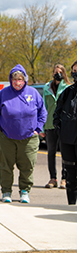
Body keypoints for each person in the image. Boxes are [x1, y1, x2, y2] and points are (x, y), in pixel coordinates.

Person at [0, 64, 47, 204]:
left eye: (20, 79)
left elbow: (42, 112)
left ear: (25, 80)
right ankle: (6, 191)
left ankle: (25, 191)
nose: (17, 82)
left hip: (29, 138)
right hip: (6, 138)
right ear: (10, 80)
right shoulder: (3, 94)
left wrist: (38, 129)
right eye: (14, 79)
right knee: (6, 166)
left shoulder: (33, 93)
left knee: (27, 165)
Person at [40, 64, 70, 189]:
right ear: (52, 74)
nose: (57, 74)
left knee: (65, 153)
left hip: (64, 125)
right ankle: (53, 178)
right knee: (51, 152)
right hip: (50, 124)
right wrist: (41, 127)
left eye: (60, 72)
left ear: (64, 73)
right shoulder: (47, 88)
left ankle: (64, 178)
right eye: (55, 72)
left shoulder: (68, 87)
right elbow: (43, 108)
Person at [53, 61, 77, 205]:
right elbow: (57, 113)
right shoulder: (67, 92)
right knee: (70, 174)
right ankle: (71, 204)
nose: (75, 73)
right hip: (67, 139)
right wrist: (59, 129)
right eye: (74, 70)